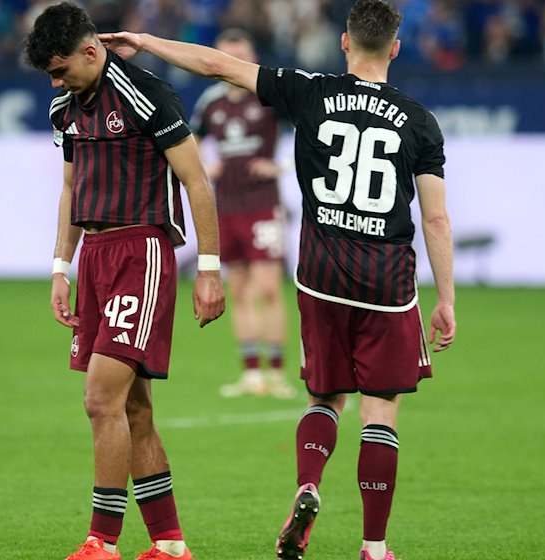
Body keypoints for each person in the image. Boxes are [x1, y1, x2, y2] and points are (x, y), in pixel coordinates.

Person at [100, 1, 457, 558]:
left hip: (320, 272)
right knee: (380, 410)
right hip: (387, 282)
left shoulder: (309, 90)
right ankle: (375, 547)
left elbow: (218, 66)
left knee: (323, 397)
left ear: (343, 43)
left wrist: (147, 43)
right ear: (394, 47)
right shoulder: (420, 120)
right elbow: (434, 218)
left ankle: (308, 485)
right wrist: (447, 299)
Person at [24, 4, 226, 560]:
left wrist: (209, 270)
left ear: (93, 51)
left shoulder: (146, 94)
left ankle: (101, 541)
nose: (56, 82)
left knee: (99, 400)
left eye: (61, 70)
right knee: (134, 408)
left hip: (142, 251)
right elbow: (71, 189)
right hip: (93, 255)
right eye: (50, 75)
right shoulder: (65, 106)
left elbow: (196, 181)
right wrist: (61, 268)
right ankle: (169, 543)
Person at [190, 28, 295, 400]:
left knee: (268, 287)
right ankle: (252, 374)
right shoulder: (211, 101)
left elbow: (311, 131)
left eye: (239, 55)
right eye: (225, 56)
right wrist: (204, 167)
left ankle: (278, 373)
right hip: (226, 204)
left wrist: (280, 166)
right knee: (239, 289)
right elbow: (189, 143)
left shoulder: (268, 93)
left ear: (250, 57)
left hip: (263, 203)